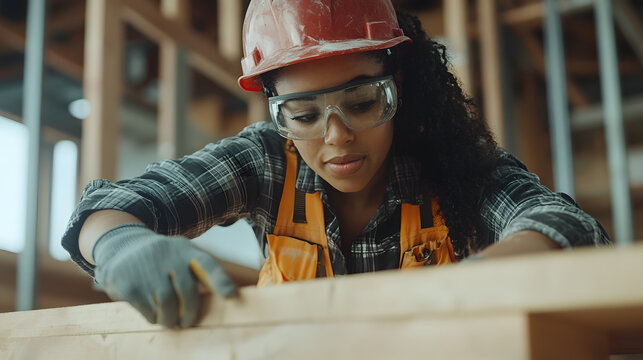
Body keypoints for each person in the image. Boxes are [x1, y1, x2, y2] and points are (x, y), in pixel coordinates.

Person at [61, 0, 611, 328]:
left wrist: (479, 284)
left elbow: (567, 224)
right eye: (303, 114)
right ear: (278, 113)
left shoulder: (452, 162)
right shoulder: (264, 163)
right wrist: (121, 243)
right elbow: (107, 209)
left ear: (399, 90)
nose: (337, 137)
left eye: (363, 104)